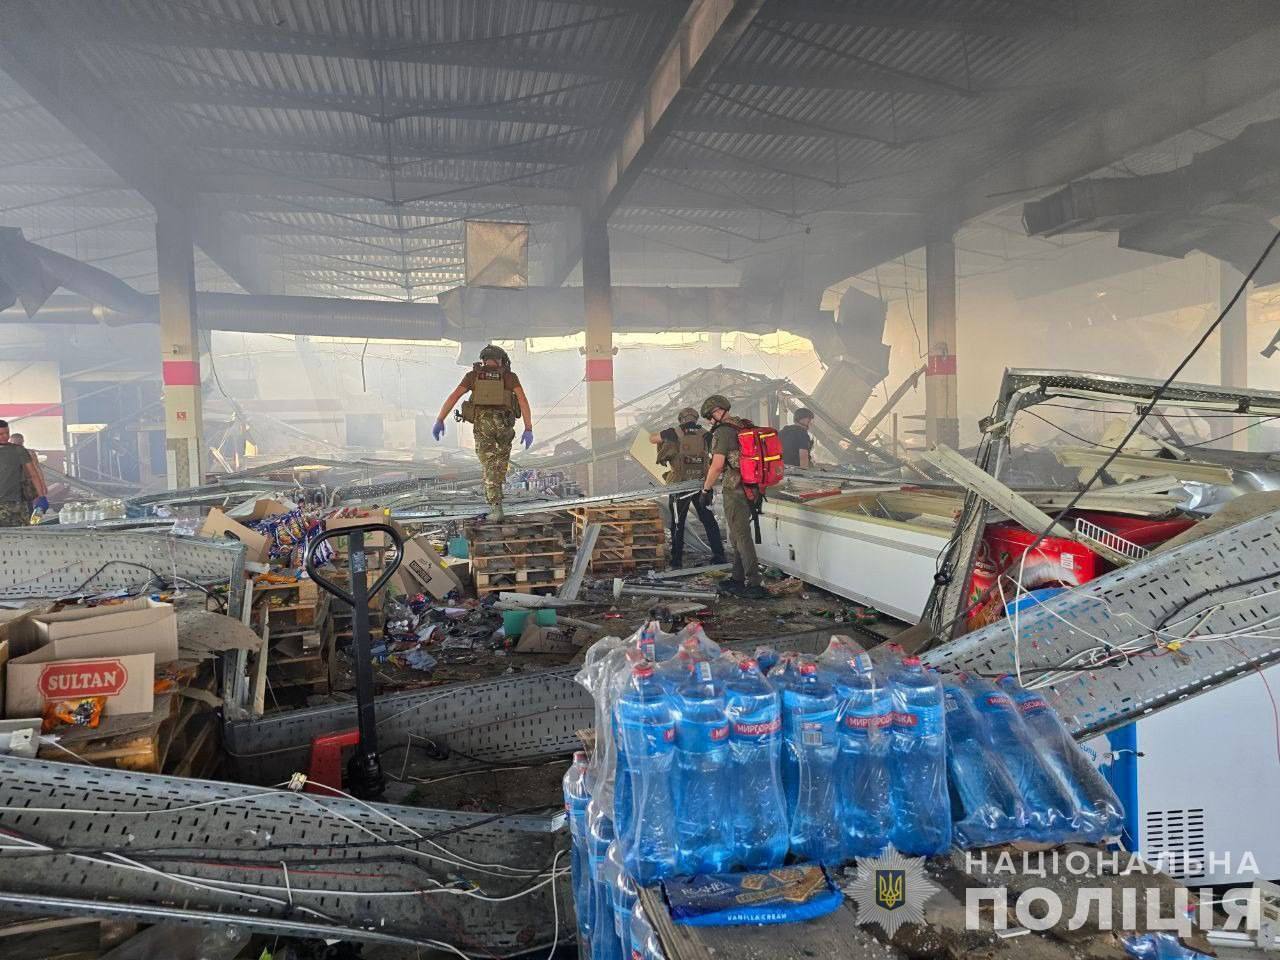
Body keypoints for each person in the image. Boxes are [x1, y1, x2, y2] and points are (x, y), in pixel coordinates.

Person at [432, 345, 533, 521]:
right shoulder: (509, 377)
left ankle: (496, 507)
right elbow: (522, 401)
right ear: (501, 360)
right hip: (504, 426)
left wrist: (440, 419)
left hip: (483, 426)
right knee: (500, 463)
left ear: (483, 360)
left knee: (489, 465)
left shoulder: (473, 376)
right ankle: (496, 500)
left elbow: (454, 397)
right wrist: (528, 428)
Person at [698, 395, 768, 600]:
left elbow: (718, 465)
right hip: (752, 488)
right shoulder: (742, 425)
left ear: (719, 412)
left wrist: (705, 489)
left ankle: (754, 582)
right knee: (738, 534)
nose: (710, 422)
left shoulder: (723, 432)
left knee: (742, 536)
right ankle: (737, 578)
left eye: (710, 417)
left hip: (736, 489)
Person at [651, 407, 725, 569]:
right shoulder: (705, 433)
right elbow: (717, 452)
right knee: (708, 520)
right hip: (701, 484)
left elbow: (653, 439)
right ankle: (719, 556)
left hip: (679, 485)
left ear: (681, 419)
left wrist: (664, 437)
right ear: (696, 419)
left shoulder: (673, 432)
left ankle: (676, 561)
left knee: (678, 522)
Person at [0, 421, 47, 526]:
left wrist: (41, 496)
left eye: (7, 433)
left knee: (23, 535)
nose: (5, 436)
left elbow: (34, 474)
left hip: (17, 502)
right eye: (1, 434)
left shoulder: (19, 451)